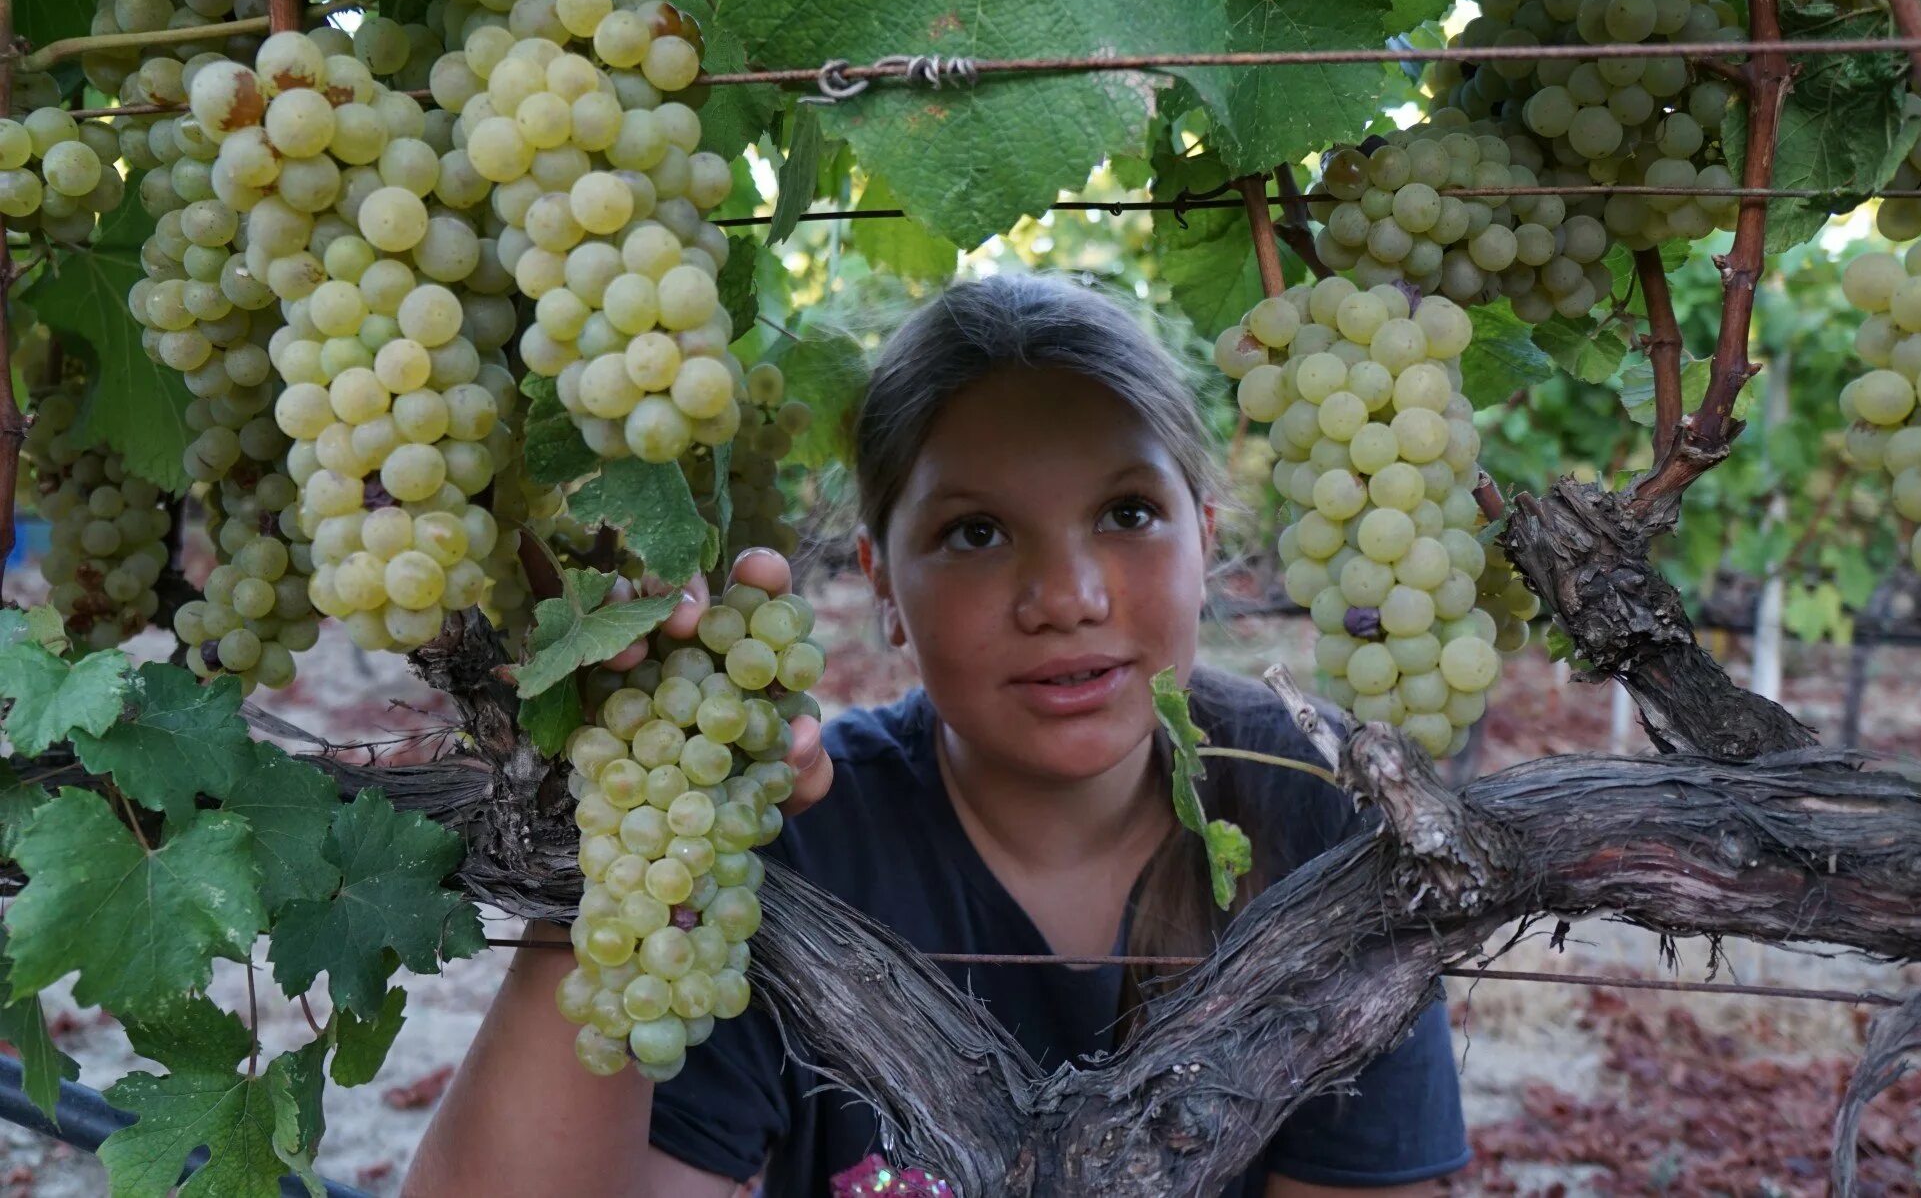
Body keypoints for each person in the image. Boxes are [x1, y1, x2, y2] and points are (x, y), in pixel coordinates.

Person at [405, 275, 1470, 1198]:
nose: (1066, 595)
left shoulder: (1323, 810)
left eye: (1127, 512)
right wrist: (610, 851)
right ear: (882, 585)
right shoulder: (786, 839)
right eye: (975, 531)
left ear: (1205, 530)